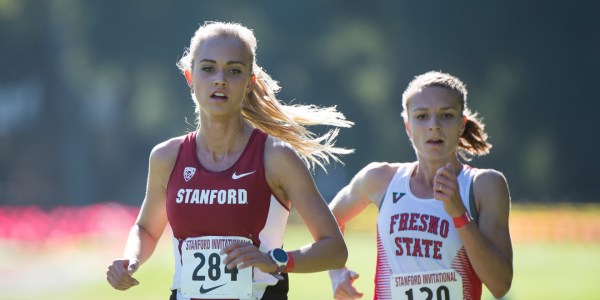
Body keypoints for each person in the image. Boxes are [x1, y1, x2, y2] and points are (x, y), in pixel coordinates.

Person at [106, 21, 353, 300]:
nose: (220, 80)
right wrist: (131, 260)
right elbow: (146, 229)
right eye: (208, 68)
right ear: (190, 76)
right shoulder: (166, 157)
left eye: (233, 71)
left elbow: (334, 249)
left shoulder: (276, 157)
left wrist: (276, 261)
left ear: (250, 83)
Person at [328, 71, 513, 300]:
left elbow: (500, 284)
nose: (434, 126)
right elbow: (328, 218)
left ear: (461, 125)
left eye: (446, 115)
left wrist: (459, 214)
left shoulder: (484, 185)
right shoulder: (380, 179)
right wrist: (336, 273)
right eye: (422, 116)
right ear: (407, 126)